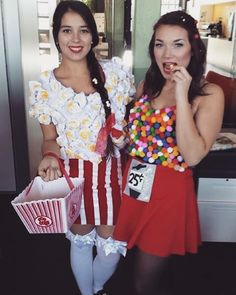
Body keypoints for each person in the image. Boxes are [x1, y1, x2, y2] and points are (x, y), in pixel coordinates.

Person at [113, 10, 224, 295]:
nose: (166, 53)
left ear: (193, 48)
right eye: (159, 43)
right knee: (124, 263)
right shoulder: (147, 85)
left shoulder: (209, 93)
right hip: (134, 182)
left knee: (144, 280)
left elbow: (193, 156)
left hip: (168, 193)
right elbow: (135, 139)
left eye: (178, 44)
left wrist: (181, 96)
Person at [28, 1, 135, 295]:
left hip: (111, 175)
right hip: (74, 177)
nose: (75, 40)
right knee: (81, 239)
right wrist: (50, 156)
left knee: (111, 247)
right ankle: (88, 293)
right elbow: (50, 138)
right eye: (67, 30)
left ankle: (97, 284)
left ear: (93, 36)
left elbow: (125, 128)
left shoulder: (114, 75)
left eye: (83, 31)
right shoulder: (47, 87)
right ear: (56, 34)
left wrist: (122, 136)